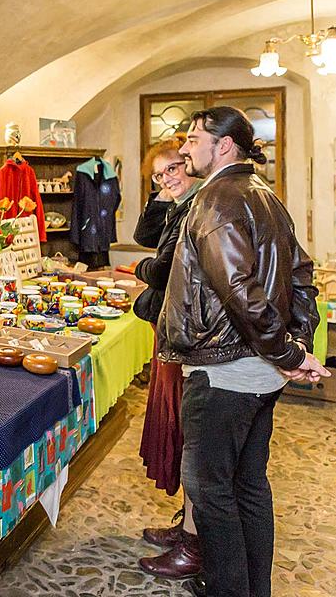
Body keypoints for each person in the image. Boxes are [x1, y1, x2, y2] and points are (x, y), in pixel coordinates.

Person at [158, 106, 328, 597]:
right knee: (248, 489)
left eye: (194, 139)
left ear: (223, 145)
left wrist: (290, 353)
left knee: (212, 495)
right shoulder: (265, 195)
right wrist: (294, 344)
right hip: (259, 375)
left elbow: (238, 290)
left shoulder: (217, 199)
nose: (186, 148)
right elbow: (301, 275)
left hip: (225, 372)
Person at [132, 136, 203, 581]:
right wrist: (163, 191)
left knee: (186, 429)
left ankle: (194, 539)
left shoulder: (200, 206)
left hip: (187, 334)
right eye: (159, 174)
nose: (168, 178)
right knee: (180, 425)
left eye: (174, 168)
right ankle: (188, 526)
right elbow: (143, 236)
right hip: (172, 328)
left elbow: (160, 268)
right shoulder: (179, 203)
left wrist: (141, 269)